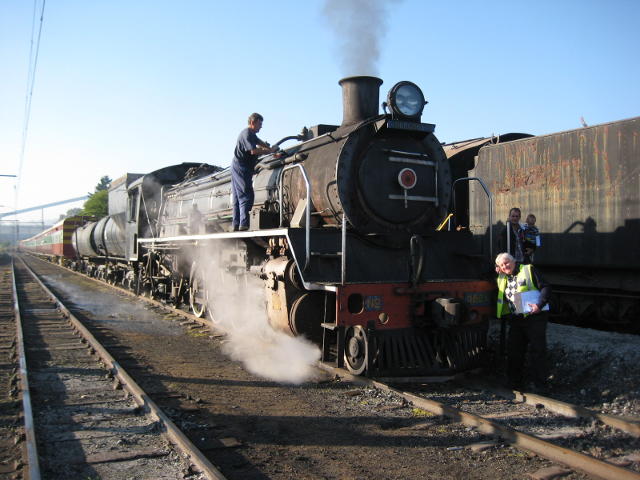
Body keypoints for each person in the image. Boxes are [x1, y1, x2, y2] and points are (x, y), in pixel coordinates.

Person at [495, 252, 551, 391]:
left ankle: (541, 385)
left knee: (538, 351)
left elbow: (545, 287)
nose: (505, 266)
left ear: (514, 261)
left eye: (507, 262)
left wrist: (540, 304)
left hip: (534, 317)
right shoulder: (502, 277)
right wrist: (497, 270)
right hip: (516, 319)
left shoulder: (528, 270)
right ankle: (514, 383)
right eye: (502, 265)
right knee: (514, 351)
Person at [231, 113, 278, 231]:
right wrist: (268, 151)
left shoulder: (251, 134)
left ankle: (236, 224)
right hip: (241, 167)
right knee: (246, 195)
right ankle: (244, 224)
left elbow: (259, 141)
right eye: (259, 124)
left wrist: (270, 148)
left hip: (239, 166)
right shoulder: (246, 134)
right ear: (253, 122)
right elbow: (253, 151)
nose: (261, 127)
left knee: (237, 197)